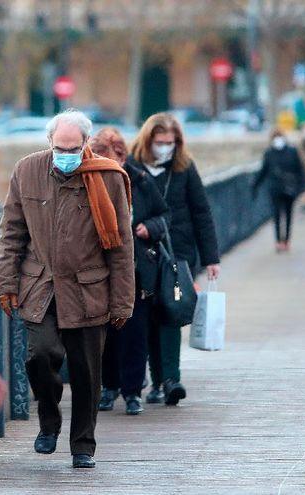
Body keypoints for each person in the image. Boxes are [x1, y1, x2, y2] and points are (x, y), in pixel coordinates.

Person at [0, 110, 135, 469]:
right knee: (38, 356)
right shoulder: (27, 171)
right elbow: (11, 233)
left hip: (89, 289)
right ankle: (49, 420)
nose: (66, 154)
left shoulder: (107, 177)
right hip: (39, 286)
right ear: (49, 143)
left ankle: (83, 445)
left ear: (86, 144)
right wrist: (6, 282)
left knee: (88, 372)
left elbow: (120, 245)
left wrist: (123, 301)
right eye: (60, 147)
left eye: (73, 148)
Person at [129, 112, 220, 406]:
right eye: (160, 142)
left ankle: (170, 378)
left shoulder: (184, 168)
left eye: (171, 142)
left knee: (171, 310)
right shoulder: (131, 167)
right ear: (149, 141)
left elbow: (201, 212)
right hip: (143, 253)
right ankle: (156, 380)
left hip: (178, 255)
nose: (166, 147)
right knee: (149, 315)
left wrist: (211, 258)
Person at [90, 128, 169, 416]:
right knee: (105, 333)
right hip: (99, 269)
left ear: (121, 156)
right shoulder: (89, 179)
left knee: (135, 332)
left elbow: (163, 215)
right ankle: (109, 387)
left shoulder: (140, 180)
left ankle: (133, 391)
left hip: (138, 268)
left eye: (110, 159)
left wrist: (150, 228)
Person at [253, 130, 305, 253]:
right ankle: (278, 241)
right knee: (277, 215)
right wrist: (255, 185)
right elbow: (264, 171)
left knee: (288, 215)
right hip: (275, 189)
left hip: (289, 189)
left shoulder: (292, 152)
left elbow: (299, 170)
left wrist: (301, 187)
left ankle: (286, 240)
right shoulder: (269, 153)